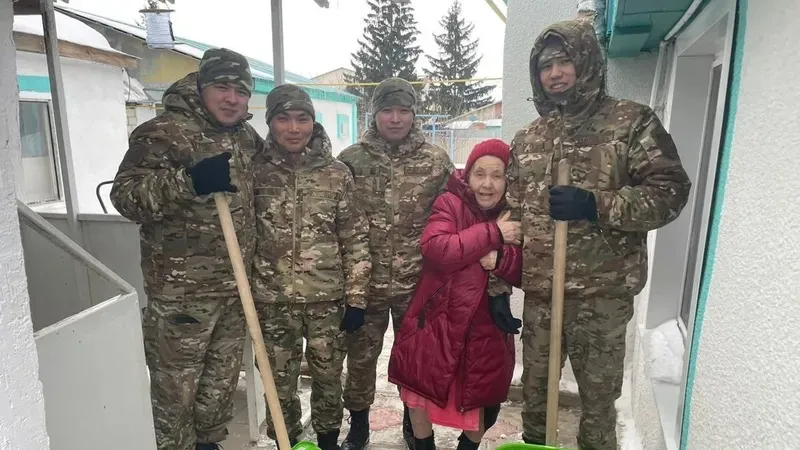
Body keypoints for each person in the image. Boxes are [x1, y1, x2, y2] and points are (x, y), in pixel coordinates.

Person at [507, 19, 692, 449]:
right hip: (542, 297)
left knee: (597, 403)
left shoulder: (630, 124)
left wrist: (597, 205)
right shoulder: (528, 139)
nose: (555, 73)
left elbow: (671, 192)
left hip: (602, 297)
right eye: (545, 65)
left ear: (587, 61)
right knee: (536, 399)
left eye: (565, 61)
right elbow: (513, 214)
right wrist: (501, 281)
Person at [110, 48, 262, 450]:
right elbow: (126, 197)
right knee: (176, 394)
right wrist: (189, 181)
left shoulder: (246, 137)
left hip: (235, 292)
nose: (232, 98)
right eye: (222, 87)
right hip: (182, 297)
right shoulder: (163, 132)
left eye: (241, 91)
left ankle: (209, 444)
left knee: (220, 387)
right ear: (201, 86)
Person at [337, 77, 455, 450]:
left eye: (404, 110)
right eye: (387, 110)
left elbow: (453, 212)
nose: (395, 119)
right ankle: (358, 423)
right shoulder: (351, 160)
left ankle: (413, 423)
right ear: (375, 114)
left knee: (415, 359)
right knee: (360, 358)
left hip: (417, 281)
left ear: (414, 114)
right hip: (364, 282)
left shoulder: (435, 160)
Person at [252, 84, 371, 450]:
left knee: (328, 378)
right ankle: (285, 443)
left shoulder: (336, 173)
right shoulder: (253, 171)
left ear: (312, 122)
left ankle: (328, 441)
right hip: (271, 302)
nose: (293, 128)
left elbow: (355, 238)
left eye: (302, 119)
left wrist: (357, 298)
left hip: (327, 302)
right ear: (270, 122)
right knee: (277, 383)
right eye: (283, 118)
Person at [388, 139, 524, 450]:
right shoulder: (450, 203)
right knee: (420, 394)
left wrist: (501, 260)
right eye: (479, 174)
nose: (487, 185)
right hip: (437, 318)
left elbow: (532, 267)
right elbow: (437, 249)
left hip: (487, 326)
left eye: (497, 175)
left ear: (509, 179)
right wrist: (494, 234)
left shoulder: (517, 212)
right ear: (468, 175)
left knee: (482, 400)